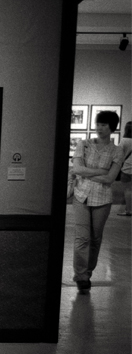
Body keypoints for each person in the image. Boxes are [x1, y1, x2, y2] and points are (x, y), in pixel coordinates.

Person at [70, 110, 124, 292]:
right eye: (98, 124)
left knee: (95, 238)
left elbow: (110, 179)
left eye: (104, 125)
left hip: (102, 199)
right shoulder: (83, 144)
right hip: (81, 196)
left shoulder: (117, 150)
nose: (99, 128)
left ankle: (88, 272)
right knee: (82, 238)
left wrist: (88, 172)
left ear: (112, 127)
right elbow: (77, 169)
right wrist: (101, 171)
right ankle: (81, 276)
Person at [118, 120, 132, 216]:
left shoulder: (124, 141)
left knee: (128, 190)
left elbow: (118, 154)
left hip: (127, 169)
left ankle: (129, 210)